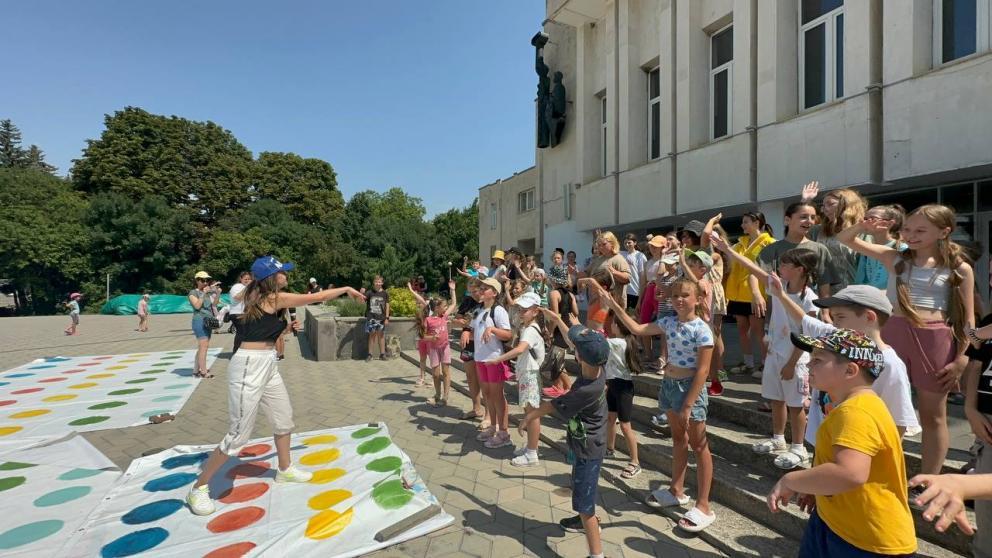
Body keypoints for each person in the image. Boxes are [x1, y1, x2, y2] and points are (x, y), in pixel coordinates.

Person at [186, 256, 365, 516]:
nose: (287, 275)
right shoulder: (272, 298)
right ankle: (198, 488)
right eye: (283, 273)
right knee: (238, 435)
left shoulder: (259, 296)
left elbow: (262, 328)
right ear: (272, 278)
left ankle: (285, 469)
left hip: (267, 363)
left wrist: (286, 328)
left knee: (283, 419)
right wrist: (347, 289)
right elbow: (315, 297)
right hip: (249, 366)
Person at [837, 204, 975, 478]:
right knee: (878, 404)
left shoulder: (959, 268)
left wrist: (963, 358)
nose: (911, 235)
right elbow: (845, 240)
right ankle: (876, 468)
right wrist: (863, 227)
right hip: (892, 333)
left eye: (921, 230)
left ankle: (929, 479)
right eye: (908, 229)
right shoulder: (896, 258)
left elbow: (969, 320)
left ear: (943, 231)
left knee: (933, 415)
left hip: (935, 338)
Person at [769, 329, 917, 557]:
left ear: (850, 370)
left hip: (865, 541)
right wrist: (816, 485)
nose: (808, 366)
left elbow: (850, 473)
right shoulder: (857, 406)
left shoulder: (856, 412)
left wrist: (791, 480)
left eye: (817, 360)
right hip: (841, 523)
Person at [597, 279, 717, 532]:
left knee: (699, 445)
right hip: (670, 385)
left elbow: (703, 370)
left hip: (689, 390)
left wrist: (688, 404)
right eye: (674, 296)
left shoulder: (702, 329)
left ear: (697, 299)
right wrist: (615, 307)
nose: (679, 300)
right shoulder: (668, 322)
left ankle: (704, 504)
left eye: (685, 295)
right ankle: (676, 490)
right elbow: (638, 329)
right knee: (677, 440)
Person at [715, 235, 820, 469]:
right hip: (774, 354)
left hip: (797, 359)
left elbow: (808, 334)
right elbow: (752, 267)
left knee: (795, 404)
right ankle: (778, 438)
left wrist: (792, 363)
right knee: (776, 400)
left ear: (799, 269)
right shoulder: (778, 287)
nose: (779, 267)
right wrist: (728, 251)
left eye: (785, 264)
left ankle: (799, 447)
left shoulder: (810, 299)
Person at [518, 323, 609, 556]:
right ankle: (582, 520)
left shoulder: (584, 391)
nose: (572, 349)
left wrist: (528, 417)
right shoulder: (598, 369)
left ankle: (596, 553)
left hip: (588, 451)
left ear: (579, 356)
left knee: (584, 504)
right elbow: (578, 343)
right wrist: (557, 318)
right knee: (581, 489)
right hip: (588, 444)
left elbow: (550, 406)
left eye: (576, 348)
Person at [486, 292, 545, 466]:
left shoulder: (530, 330)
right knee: (530, 413)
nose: (521, 312)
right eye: (520, 309)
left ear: (535, 311)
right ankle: (530, 448)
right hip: (527, 374)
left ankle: (532, 453)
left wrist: (497, 360)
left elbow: (520, 350)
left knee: (532, 414)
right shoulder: (527, 327)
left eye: (525, 310)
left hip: (531, 375)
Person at [725, 211, 776, 376]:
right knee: (742, 329)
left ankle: (764, 364)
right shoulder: (740, 244)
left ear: (757, 222)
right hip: (739, 293)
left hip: (757, 293)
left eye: (746, 222)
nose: (742, 225)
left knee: (758, 330)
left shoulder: (769, 243)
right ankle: (747, 363)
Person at [802, 181, 868, 293]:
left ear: (846, 204)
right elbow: (797, 228)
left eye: (830, 204)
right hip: (824, 293)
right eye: (823, 205)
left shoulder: (863, 231)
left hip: (854, 293)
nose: (824, 209)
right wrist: (805, 201)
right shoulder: (818, 230)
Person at [473, 277, 513, 449]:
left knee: (497, 396)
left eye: (486, 288)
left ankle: (504, 432)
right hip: (480, 358)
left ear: (495, 293)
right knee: (488, 394)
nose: (482, 290)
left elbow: (508, 334)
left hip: (494, 358)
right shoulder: (479, 310)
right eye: (481, 287)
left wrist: (492, 329)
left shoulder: (499, 311)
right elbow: (473, 328)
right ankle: (493, 426)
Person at [603, 314, 644, 479]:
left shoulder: (617, 343)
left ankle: (635, 461)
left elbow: (596, 342)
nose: (610, 325)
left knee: (625, 426)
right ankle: (609, 449)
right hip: (614, 384)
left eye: (613, 323)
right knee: (610, 418)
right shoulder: (622, 341)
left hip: (623, 387)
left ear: (618, 326)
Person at [412, 281, 458, 406]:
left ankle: (445, 397)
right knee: (436, 374)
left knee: (446, 371)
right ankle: (437, 395)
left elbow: (454, 304)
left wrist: (452, 290)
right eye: (444, 306)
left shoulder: (444, 317)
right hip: (433, 349)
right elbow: (423, 336)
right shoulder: (428, 320)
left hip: (445, 347)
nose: (446, 308)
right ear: (437, 308)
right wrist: (431, 338)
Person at [454, 278, 489, 425]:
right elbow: (459, 317)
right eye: (471, 291)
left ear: (481, 290)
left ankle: (489, 414)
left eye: (476, 291)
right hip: (468, 344)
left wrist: (467, 328)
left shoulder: (486, 303)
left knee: (484, 379)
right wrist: (460, 322)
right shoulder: (467, 301)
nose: (474, 294)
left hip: (482, 345)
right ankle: (476, 408)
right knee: (470, 376)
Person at [853, 205, 906, 289]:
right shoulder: (868, 248)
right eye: (865, 219)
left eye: (872, 218)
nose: (866, 222)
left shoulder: (902, 249)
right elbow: (860, 279)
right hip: (870, 298)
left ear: (889, 223)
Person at [544, 260, 577, 398]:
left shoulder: (553, 294)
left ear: (553, 278)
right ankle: (558, 386)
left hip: (558, 329)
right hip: (568, 327)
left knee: (558, 361)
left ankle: (569, 388)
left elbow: (555, 316)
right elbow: (576, 313)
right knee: (556, 359)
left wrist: (550, 332)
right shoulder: (570, 295)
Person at [188, 272, 221, 378]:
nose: (206, 282)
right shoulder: (193, 292)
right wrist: (203, 293)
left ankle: (196, 370)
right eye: (203, 280)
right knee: (204, 346)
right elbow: (197, 306)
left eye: (207, 280)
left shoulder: (207, 292)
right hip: (199, 321)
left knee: (202, 347)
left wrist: (218, 293)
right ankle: (203, 372)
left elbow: (214, 304)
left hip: (208, 321)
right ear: (197, 280)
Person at [365, 275, 390, 362]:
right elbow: (361, 300)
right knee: (372, 336)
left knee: (381, 336)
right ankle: (370, 354)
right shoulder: (369, 292)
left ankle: (382, 354)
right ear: (374, 283)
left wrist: (387, 318)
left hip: (381, 318)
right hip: (371, 318)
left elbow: (387, 305)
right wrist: (360, 294)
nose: (378, 283)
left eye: (379, 282)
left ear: (382, 283)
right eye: (376, 282)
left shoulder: (385, 293)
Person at [622, 233, 648, 313]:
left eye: (629, 242)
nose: (627, 244)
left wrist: (640, 297)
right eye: (625, 243)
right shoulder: (621, 254)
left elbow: (643, 277)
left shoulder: (640, 256)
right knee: (623, 317)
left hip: (635, 293)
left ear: (635, 243)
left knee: (634, 317)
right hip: (623, 292)